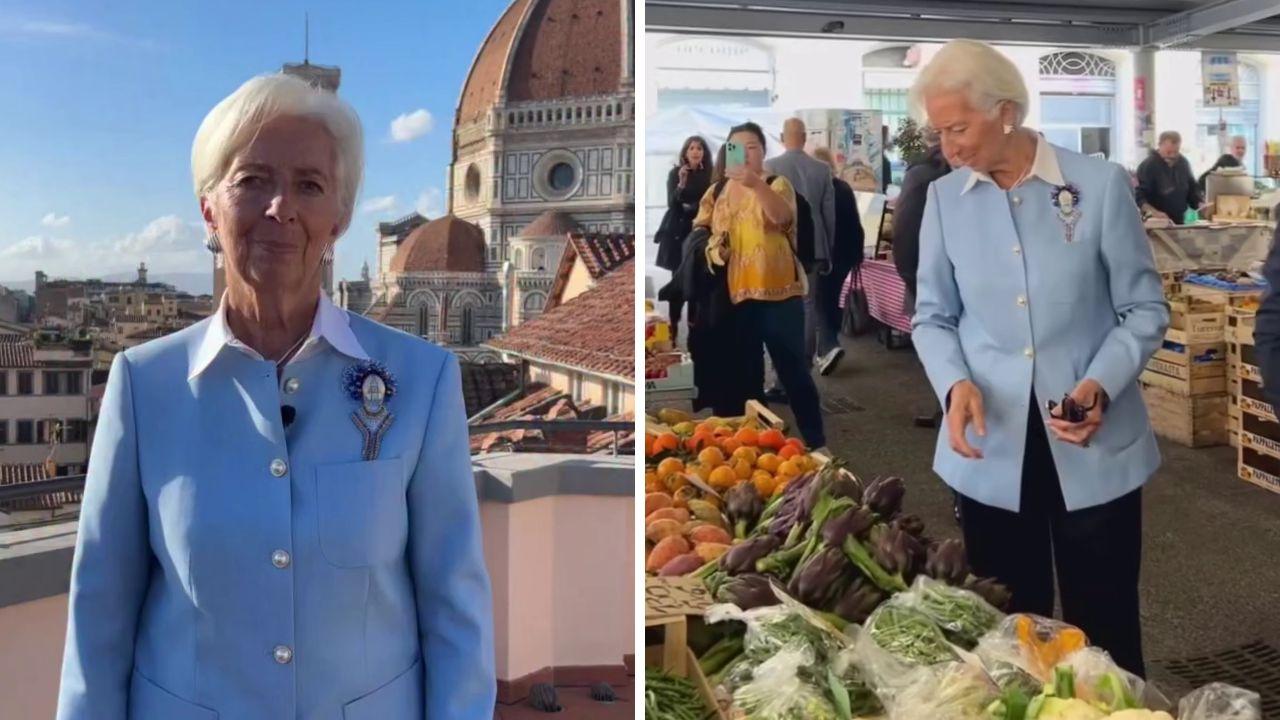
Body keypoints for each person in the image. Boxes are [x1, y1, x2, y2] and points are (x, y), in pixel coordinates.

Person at [57, 74, 495, 719]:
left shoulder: (420, 379)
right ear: (210, 207)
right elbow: (100, 612)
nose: (280, 207)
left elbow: (453, 608)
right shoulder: (143, 384)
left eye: (310, 186)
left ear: (339, 217)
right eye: (253, 179)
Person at [910, 40, 1169, 676]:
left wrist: (1100, 384)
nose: (950, 146)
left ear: (1006, 112)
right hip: (991, 444)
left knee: (1102, 625)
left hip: (1092, 439)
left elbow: (1144, 310)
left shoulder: (1099, 185)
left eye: (959, 127)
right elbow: (933, 317)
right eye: (940, 131)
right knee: (1010, 627)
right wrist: (953, 384)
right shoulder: (945, 200)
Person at [693, 122, 827, 449]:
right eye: (737, 147)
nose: (745, 153)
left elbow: (782, 218)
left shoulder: (777, 183)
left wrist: (755, 185)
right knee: (746, 377)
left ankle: (816, 441)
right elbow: (699, 232)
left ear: (763, 151)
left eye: (752, 146)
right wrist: (713, 249)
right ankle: (759, 446)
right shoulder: (716, 192)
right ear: (727, 153)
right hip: (737, 298)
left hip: (780, 295)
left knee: (793, 371)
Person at [766, 118, 842, 375]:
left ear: (781, 136)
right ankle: (806, 363)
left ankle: (782, 369)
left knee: (780, 305)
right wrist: (828, 247)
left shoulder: (770, 167)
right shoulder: (821, 169)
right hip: (815, 246)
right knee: (808, 304)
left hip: (781, 246)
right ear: (805, 137)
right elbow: (829, 213)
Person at [892, 127, 956, 429]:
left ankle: (950, 404)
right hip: (935, 274)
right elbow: (906, 235)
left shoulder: (922, 175)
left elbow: (902, 233)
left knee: (941, 337)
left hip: (931, 274)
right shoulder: (926, 177)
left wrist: (912, 278)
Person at [655, 136, 713, 339]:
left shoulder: (709, 175)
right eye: (692, 148)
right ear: (685, 152)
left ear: (704, 152)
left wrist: (696, 208)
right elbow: (672, 203)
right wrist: (681, 183)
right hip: (678, 233)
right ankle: (673, 324)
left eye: (699, 148)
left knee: (697, 280)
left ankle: (694, 329)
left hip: (699, 232)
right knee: (677, 280)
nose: (696, 152)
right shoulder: (676, 173)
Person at [813, 146, 864, 352]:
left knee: (823, 300)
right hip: (845, 253)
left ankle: (828, 345)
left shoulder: (816, 190)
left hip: (824, 254)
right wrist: (858, 254)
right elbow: (855, 222)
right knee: (830, 297)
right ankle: (828, 343)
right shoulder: (843, 188)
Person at [1135, 130, 1202, 224]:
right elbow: (1138, 196)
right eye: (1168, 152)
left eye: (1176, 152)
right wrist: (1153, 212)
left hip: (1179, 222)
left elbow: (1192, 189)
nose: (1172, 156)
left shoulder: (1183, 163)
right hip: (1155, 224)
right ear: (1160, 145)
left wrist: (1199, 203)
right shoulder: (1148, 166)